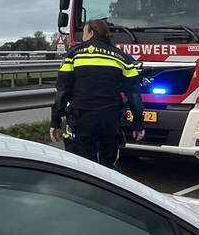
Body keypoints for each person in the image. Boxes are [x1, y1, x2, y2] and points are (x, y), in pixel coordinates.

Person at [50, 19, 145, 167]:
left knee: (86, 166)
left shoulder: (73, 55)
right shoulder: (122, 57)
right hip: (110, 120)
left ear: (91, 33)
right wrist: (138, 124)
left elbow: (63, 91)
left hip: (82, 119)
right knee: (108, 166)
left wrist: (55, 122)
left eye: (84, 32)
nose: (82, 36)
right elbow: (134, 94)